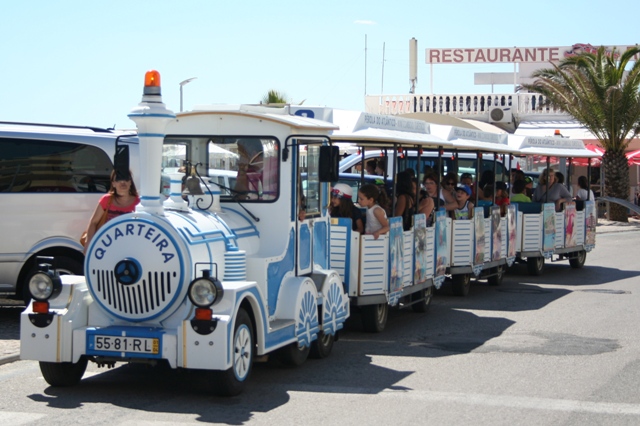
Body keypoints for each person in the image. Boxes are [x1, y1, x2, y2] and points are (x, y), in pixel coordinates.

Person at [83, 170, 139, 251]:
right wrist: (89, 243)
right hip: (107, 247)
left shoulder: (139, 203)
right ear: (113, 184)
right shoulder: (106, 200)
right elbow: (93, 222)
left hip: (130, 247)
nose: (123, 182)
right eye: (118, 179)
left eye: (126, 179)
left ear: (130, 182)